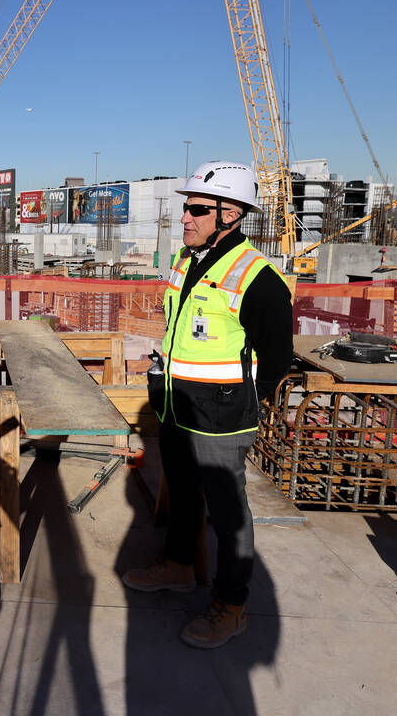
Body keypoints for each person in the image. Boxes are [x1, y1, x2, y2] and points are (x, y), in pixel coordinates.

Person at [121, 161, 293, 649]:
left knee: (229, 512)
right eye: (186, 208)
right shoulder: (187, 260)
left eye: (197, 209)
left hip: (220, 417)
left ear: (231, 214)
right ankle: (178, 565)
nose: (186, 218)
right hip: (178, 407)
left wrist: (242, 404)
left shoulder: (257, 277)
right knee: (181, 488)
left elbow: (277, 359)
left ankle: (232, 605)